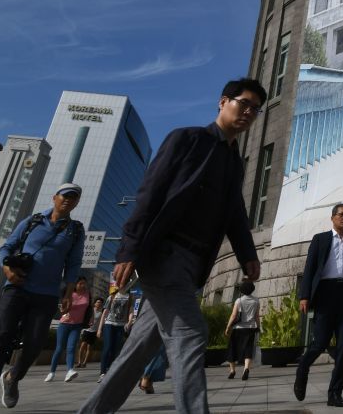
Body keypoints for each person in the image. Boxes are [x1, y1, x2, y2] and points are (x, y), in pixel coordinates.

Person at [77, 78, 264, 414]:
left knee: (138, 351)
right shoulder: (187, 139)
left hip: (193, 265)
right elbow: (150, 193)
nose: (249, 112)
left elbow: (235, 214)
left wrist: (247, 254)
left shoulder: (235, 163)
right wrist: (129, 250)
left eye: (255, 108)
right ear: (223, 102)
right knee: (191, 334)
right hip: (165, 256)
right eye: (244, 103)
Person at [0, 183, 85, 414]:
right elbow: (7, 247)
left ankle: (13, 376)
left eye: (73, 198)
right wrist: (7, 269)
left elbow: (73, 264)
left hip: (47, 294)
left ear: (76, 203)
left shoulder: (75, 231)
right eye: (65, 196)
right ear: (54, 197)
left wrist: (68, 293)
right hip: (17, 288)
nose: (68, 200)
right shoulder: (32, 221)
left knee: (34, 344)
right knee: (0, 339)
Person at [293, 203, 343, 408]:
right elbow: (310, 268)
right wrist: (304, 296)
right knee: (320, 343)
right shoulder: (320, 239)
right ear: (332, 218)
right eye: (341, 215)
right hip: (325, 295)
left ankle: (334, 394)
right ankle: (303, 367)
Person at [45, 275, 90, 383]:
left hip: (77, 325)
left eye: (84, 283)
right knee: (59, 348)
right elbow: (62, 310)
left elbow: (89, 308)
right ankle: (51, 372)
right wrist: (65, 310)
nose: (83, 285)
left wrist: (90, 319)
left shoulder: (87, 294)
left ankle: (70, 371)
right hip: (64, 324)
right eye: (80, 283)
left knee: (71, 348)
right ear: (75, 284)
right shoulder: (70, 294)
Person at [224, 280, 260, 380]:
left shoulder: (239, 300)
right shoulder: (256, 301)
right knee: (248, 349)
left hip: (238, 328)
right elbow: (257, 316)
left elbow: (234, 315)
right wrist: (259, 327)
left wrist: (228, 327)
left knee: (232, 348)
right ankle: (246, 369)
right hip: (250, 328)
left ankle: (232, 371)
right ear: (252, 289)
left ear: (242, 290)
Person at [96, 285, 133, 381]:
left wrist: (129, 323)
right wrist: (100, 329)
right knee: (107, 347)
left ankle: (109, 369)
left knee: (115, 349)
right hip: (109, 325)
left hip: (120, 326)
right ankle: (102, 373)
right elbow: (104, 313)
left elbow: (130, 311)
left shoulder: (130, 297)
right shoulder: (112, 296)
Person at [77, 296, 104, 368]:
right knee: (82, 345)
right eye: (98, 302)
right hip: (87, 329)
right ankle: (79, 362)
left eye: (100, 303)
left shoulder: (101, 313)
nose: (99, 304)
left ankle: (84, 363)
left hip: (94, 331)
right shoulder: (90, 310)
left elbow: (101, 323)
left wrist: (99, 331)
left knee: (89, 347)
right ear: (94, 303)